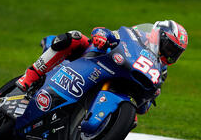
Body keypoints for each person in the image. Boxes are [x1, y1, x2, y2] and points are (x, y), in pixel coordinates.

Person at [16, 21, 188, 114]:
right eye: (169, 47)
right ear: (157, 35)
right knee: (74, 37)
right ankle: (29, 76)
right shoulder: (138, 36)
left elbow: (145, 106)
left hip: (119, 79)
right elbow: (106, 32)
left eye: (175, 52)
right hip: (92, 58)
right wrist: (101, 37)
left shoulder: (160, 71)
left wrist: (140, 105)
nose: (169, 53)